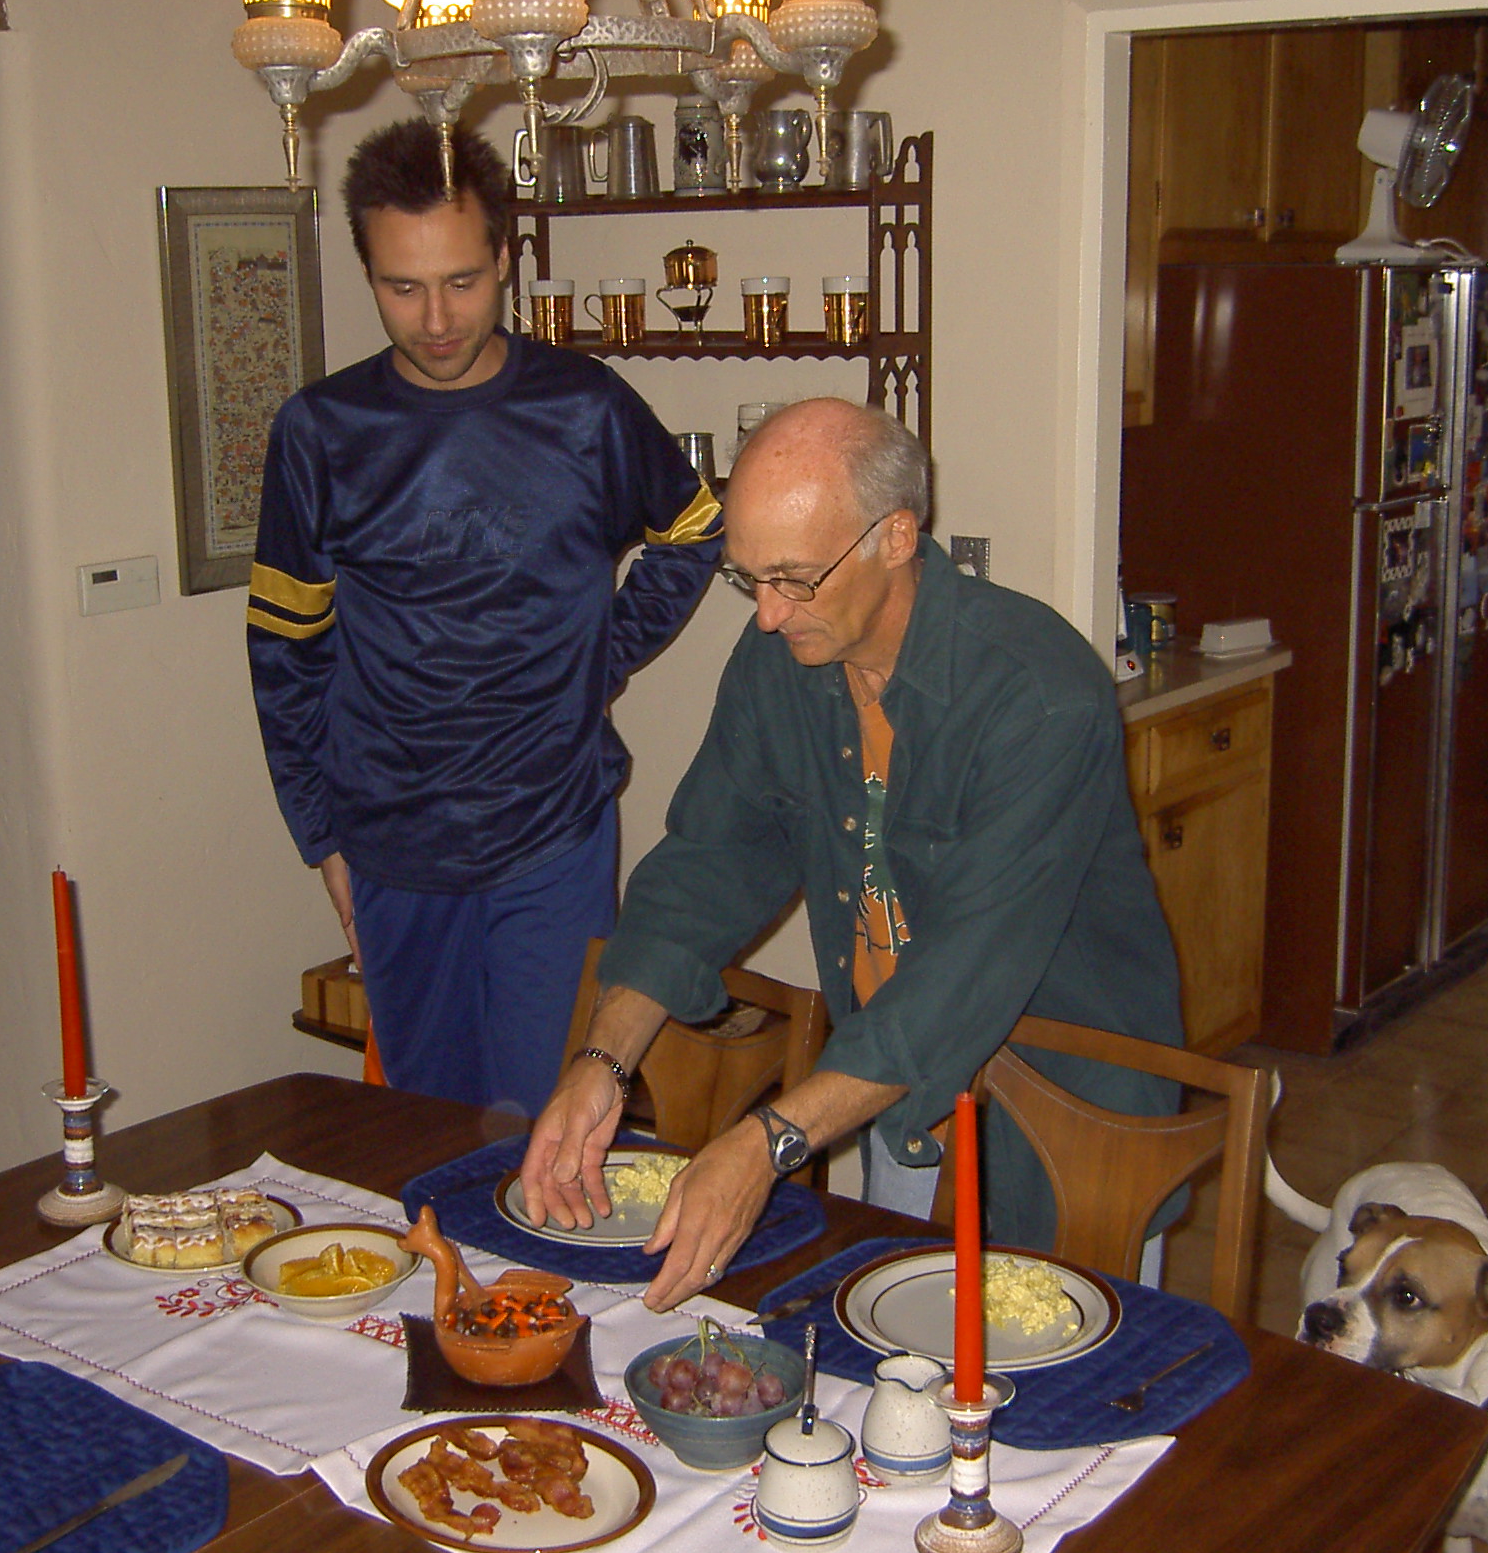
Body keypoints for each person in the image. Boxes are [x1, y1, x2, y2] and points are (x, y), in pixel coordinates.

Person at [518, 398, 1186, 1311]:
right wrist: (603, 1062)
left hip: (1072, 1121)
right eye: (748, 578)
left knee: (1062, 1388)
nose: (766, 615)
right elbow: (707, 864)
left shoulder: (1038, 692)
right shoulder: (783, 663)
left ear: (896, 537)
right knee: (889, 1377)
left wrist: (768, 1143)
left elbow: (961, 977)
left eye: (794, 578)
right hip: (891, 1094)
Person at [247, 120, 721, 1116]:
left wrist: (599, 657)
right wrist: (319, 834)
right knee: (422, 1129)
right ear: (368, 273)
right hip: (391, 843)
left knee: (542, 1129)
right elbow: (284, 650)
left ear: (505, 256)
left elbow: (694, 531)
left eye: (461, 282)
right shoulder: (320, 432)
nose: (435, 319)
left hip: (553, 833)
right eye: (402, 287)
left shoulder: (584, 408)